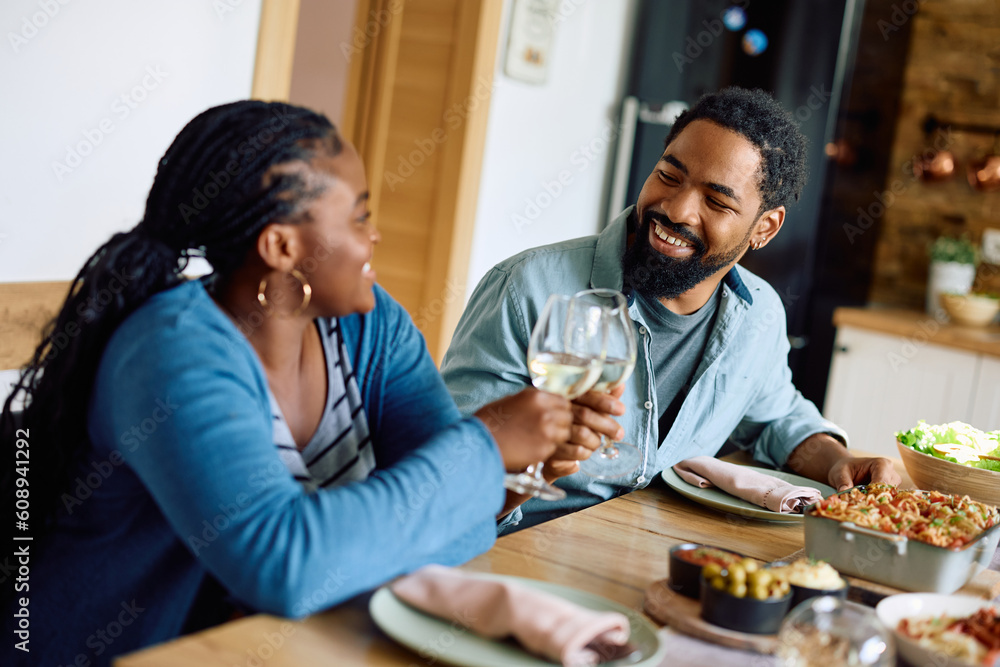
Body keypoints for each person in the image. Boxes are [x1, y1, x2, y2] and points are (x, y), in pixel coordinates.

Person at [0, 101, 573, 666]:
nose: (375, 237)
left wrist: (490, 473)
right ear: (281, 247)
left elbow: (459, 522)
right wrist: (486, 443)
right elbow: (287, 569)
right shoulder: (172, 352)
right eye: (358, 217)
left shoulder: (372, 327)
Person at [441, 87, 900, 533]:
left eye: (717, 201)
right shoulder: (527, 288)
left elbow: (775, 418)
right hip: (514, 557)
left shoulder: (758, 312)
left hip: (650, 554)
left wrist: (836, 459)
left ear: (765, 227)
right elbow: (445, 484)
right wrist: (539, 469)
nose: (676, 210)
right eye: (668, 175)